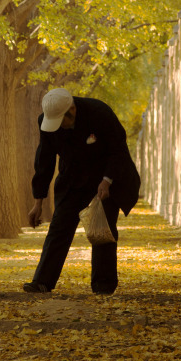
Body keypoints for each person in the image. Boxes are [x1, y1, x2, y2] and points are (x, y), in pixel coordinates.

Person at [25, 88, 141, 295]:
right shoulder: (46, 123)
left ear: (72, 109)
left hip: (108, 175)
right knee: (60, 226)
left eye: (62, 120)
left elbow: (118, 150)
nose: (59, 126)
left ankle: (103, 285)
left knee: (102, 228)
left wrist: (106, 181)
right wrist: (38, 201)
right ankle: (42, 281)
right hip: (74, 178)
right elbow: (44, 160)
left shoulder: (99, 113)